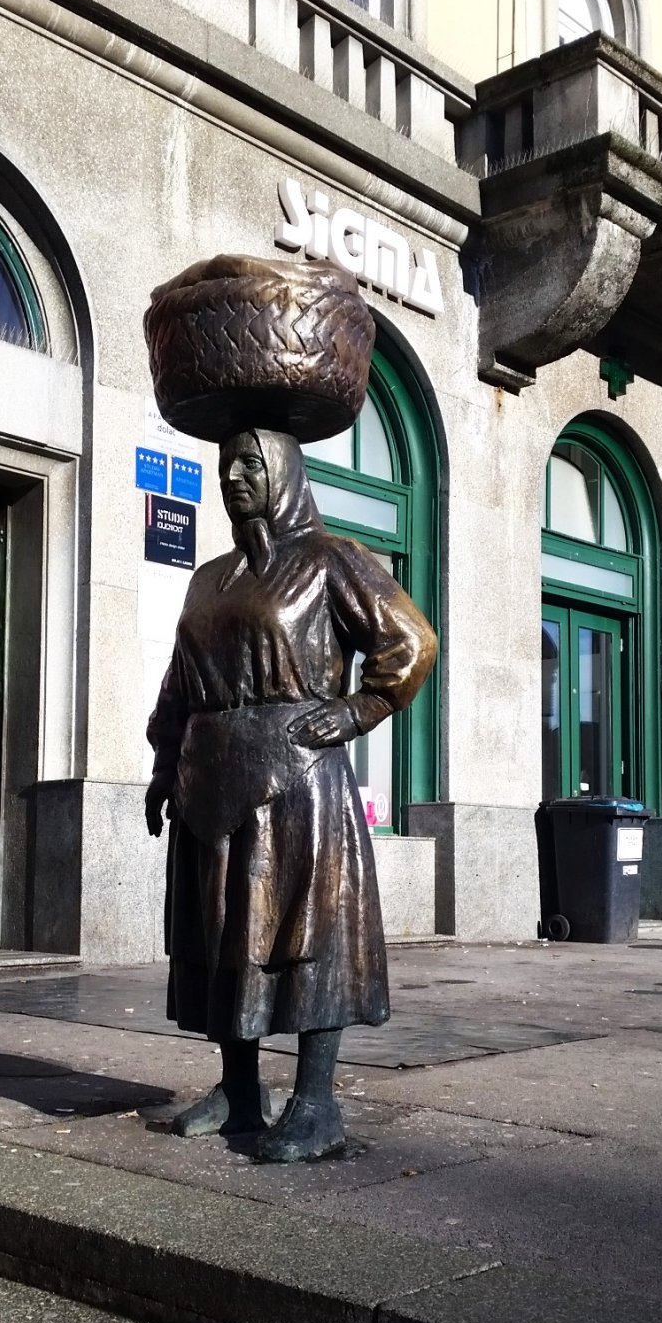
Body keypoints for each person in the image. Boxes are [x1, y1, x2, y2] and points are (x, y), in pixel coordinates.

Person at [146, 427, 436, 1161]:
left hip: (298, 778)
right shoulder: (208, 577)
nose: (234, 474)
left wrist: (360, 709)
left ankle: (317, 1103)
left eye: (252, 461)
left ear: (285, 471)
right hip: (209, 779)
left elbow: (411, 642)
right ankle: (240, 1089)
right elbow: (178, 683)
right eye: (226, 463)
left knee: (308, 937)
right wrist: (161, 767)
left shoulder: (329, 560)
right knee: (221, 933)